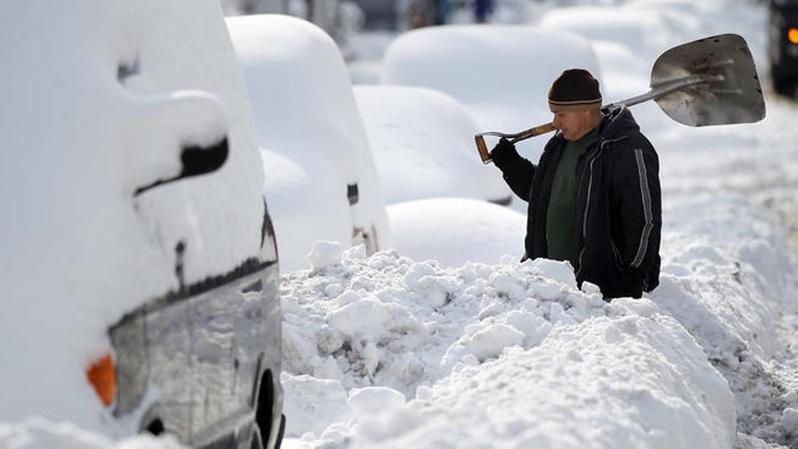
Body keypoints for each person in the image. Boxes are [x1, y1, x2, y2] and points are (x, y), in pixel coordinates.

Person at [490, 69, 661, 300]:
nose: (554, 123)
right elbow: (544, 196)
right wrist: (511, 165)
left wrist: (631, 277)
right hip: (549, 289)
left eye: (561, 114)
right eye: (553, 114)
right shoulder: (558, 145)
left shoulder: (626, 149)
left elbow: (644, 221)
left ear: (586, 111)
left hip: (600, 292)